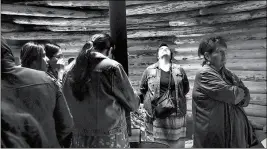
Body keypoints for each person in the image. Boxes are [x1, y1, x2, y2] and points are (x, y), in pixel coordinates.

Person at [62, 33, 140, 148]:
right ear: (110, 49)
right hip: (109, 140)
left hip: (79, 139)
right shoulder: (112, 67)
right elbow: (132, 103)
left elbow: (64, 103)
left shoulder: (69, 69)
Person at [1, 37, 74, 147]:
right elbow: (67, 125)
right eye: (44, 56)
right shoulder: (46, 79)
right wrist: (51, 141)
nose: (48, 60)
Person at [192, 36, 261, 148]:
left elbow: (246, 97)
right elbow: (232, 95)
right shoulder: (204, 74)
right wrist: (238, 92)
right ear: (207, 56)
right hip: (214, 139)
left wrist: (240, 93)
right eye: (219, 52)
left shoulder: (228, 74)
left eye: (225, 52)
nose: (224, 56)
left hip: (231, 137)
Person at [139, 43, 190, 148]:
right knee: (159, 144)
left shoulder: (179, 69)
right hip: (158, 113)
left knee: (176, 144)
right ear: (157, 55)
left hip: (176, 113)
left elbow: (185, 88)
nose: (164, 50)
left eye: (167, 49)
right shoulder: (149, 70)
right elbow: (143, 90)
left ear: (170, 54)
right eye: (161, 49)